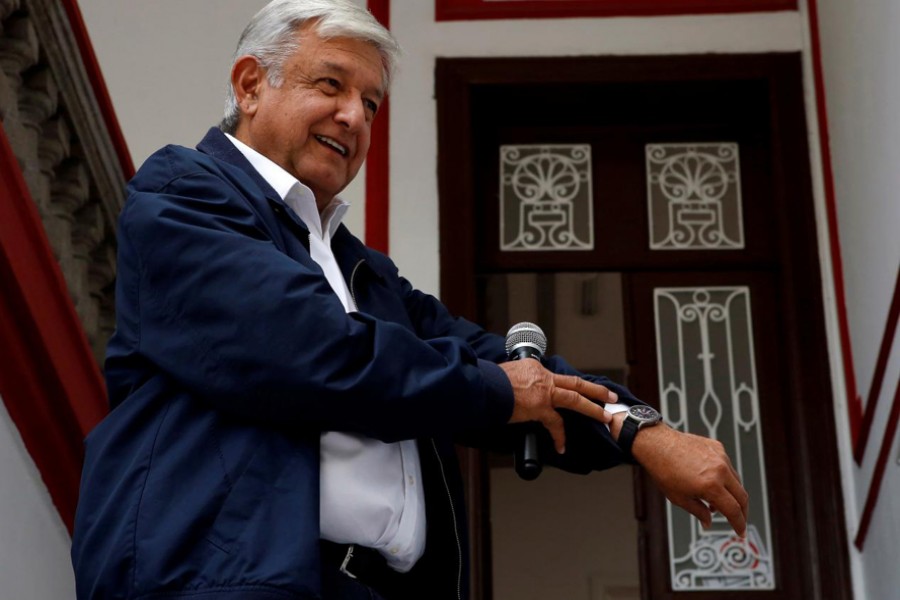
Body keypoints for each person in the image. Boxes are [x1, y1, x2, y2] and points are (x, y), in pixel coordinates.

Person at [71, 1, 749, 599]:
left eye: (370, 103)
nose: (354, 116)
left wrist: (642, 431)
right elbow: (314, 353)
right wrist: (499, 390)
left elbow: (499, 367)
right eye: (331, 84)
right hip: (222, 578)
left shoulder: (362, 270)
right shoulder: (183, 197)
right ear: (251, 85)